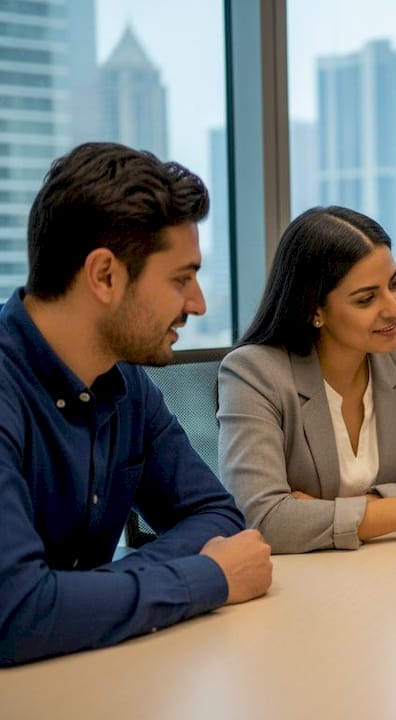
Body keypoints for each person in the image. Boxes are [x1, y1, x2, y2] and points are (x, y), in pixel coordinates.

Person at [0, 143, 272, 666]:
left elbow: (218, 515)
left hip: (87, 672)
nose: (198, 304)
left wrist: (75, 596)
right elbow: (16, 612)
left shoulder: (126, 382)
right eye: (180, 278)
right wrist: (206, 577)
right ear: (104, 276)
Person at [217, 206, 396, 554]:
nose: (393, 308)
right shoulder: (253, 374)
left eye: (394, 283)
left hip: (388, 570)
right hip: (301, 586)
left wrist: (327, 509)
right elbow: (264, 519)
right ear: (313, 310)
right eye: (366, 299)